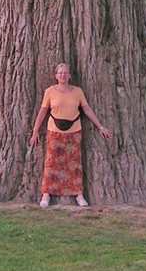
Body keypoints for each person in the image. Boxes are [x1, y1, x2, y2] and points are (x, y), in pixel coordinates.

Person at [29, 62, 113, 208]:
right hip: (54, 131)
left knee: (75, 164)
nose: (63, 75)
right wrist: (35, 131)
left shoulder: (77, 91)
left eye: (65, 72)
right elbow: (42, 112)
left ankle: (79, 195)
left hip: (74, 131)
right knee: (51, 163)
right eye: (60, 73)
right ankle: (46, 194)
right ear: (56, 76)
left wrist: (100, 126)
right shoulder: (49, 91)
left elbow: (86, 110)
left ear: (69, 75)